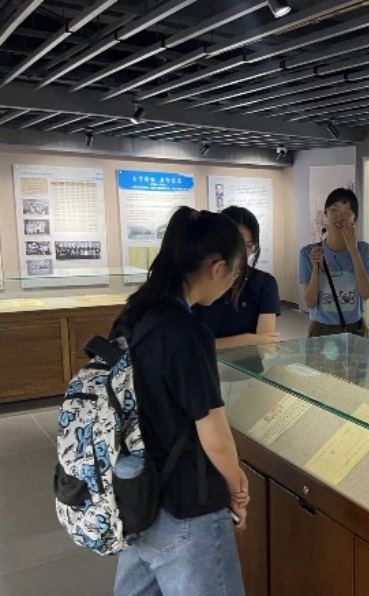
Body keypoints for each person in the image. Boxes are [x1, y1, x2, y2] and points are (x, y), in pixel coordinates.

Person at [111, 207, 249, 596]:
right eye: (236, 273)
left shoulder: (133, 314)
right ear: (217, 268)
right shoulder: (187, 332)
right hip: (188, 503)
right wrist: (236, 486)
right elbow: (214, 435)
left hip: (137, 494)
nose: (233, 282)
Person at [196, 206, 281, 350]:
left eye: (248, 246)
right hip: (203, 362)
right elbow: (191, 345)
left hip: (248, 363)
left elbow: (265, 346)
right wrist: (247, 340)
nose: (241, 253)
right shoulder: (201, 280)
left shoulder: (264, 282)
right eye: (236, 245)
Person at [299, 188, 369, 337]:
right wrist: (316, 267)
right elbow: (309, 302)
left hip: (354, 328)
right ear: (326, 214)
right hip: (321, 329)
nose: (339, 217)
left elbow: (366, 293)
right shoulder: (308, 253)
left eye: (347, 212)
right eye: (334, 210)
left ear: (354, 219)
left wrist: (353, 251)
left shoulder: (364, 250)